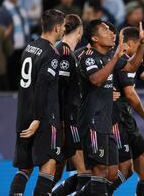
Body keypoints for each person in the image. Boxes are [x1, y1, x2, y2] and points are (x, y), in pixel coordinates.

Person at [74, 20, 144, 195]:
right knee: (99, 170)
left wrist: (142, 45)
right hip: (92, 121)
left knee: (113, 173)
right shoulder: (88, 56)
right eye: (105, 30)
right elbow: (96, 80)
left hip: (107, 122)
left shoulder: (108, 56)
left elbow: (132, 66)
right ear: (94, 38)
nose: (111, 33)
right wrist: (116, 56)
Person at [9, 9, 65, 196]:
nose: (64, 29)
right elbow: (41, 86)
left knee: (24, 169)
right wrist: (38, 118)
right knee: (48, 165)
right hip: (41, 119)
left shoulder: (29, 47)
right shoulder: (51, 54)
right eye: (63, 26)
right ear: (57, 28)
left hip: (23, 114)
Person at [108, 26, 144, 196]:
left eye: (121, 40)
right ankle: (96, 192)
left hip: (127, 120)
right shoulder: (119, 61)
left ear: (129, 43)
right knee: (125, 170)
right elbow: (130, 94)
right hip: (116, 119)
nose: (119, 43)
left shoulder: (131, 63)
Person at [50, 14, 90, 195]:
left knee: (55, 173)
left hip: (64, 119)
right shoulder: (65, 53)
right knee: (85, 171)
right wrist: (62, 122)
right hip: (68, 120)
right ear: (80, 30)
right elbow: (60, 89)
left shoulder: (66, 52)